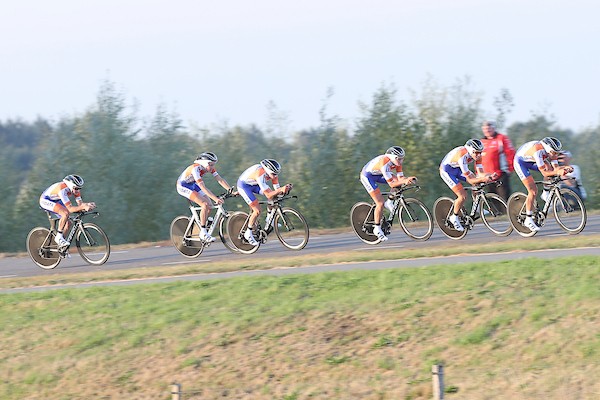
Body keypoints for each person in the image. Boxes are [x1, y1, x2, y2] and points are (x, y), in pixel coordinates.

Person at [513, 137, 573, 232]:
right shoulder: (538, 151)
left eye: (557, 153)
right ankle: (528, 219)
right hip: (520, 162)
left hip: (531, 160)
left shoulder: (551, 152)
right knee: (532, 191)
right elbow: (545, 173)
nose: (556, 155)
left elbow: (555, 168)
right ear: (548, 150)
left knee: (549, 167)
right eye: (554, 153)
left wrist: (565, 168)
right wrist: (558, 172)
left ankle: (545, 192)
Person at [359, 146, 417, 241]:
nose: (401, 161)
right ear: (392, 157)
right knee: (380, 203)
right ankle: (377, 229)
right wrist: (404, 181)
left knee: (399, 183)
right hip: (368, 177)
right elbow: (392, 184)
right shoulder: (384, 163)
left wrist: (407, 179)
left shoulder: (397, 161)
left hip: (378, 174)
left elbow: (400, 178)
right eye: (399, 159)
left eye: (403, 158)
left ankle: (389, 202)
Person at [176, 152, 235, 242]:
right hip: (183, 186)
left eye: (213, 164)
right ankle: (203, 233)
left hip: (192, 184)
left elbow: (219, 179)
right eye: (211, 164)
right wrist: (215, 198)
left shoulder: (208, 167)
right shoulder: (195, 169)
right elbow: (203, 188)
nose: (212, 167)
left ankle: (203, 223)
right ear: (204, 163)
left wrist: (230, 190)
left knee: (210, 206)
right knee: (204, 204)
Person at [439, 139, 496, 232]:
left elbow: (480, 173)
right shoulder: (462, 156)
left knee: (477, 183)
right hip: (447, 171)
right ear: (470, 151)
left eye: (480, 152)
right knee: (462, 196)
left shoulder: (478, 156)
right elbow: (470, 180)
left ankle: (477, 208)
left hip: (457, 168)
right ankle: (454, 217)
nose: (478, 155)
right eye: (476, 153)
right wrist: (483, 179)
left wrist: (489, 175)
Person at [237, 159, 293, 245]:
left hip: (254, 184)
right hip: (244, 186)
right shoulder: (260, 174)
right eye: (273, 174)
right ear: (267, 171)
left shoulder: (273, 173)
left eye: (276, 174)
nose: (274, 177)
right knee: (257, 210)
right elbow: (268, 195)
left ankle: (269, 218)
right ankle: (248, 233)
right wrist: (280, 190)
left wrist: (284, 190)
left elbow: (276, 191)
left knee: (274, 197)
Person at [39, 174, 96, 247]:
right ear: (70, 185)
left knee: (68, 222)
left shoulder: (75, 189)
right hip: (45, 200)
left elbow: (80, 204)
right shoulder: (62, 189)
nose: (77, 190)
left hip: (56, 200)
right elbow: (70, 209)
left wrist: (87, 205)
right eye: (76, 188)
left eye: (79, 188)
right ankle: (59, 237)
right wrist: (83, 206)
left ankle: (61, 245)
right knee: (65, 213)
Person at [480, 120, 516, 201]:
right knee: (492, 199)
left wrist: (510, 169)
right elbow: (478, 159)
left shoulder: (501, 138)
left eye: (489, 129)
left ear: (493, 128)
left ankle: (507, 212)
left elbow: (510, 153)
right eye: (485, 129)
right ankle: (497, 213)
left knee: (504, 197)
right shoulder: (482, 142)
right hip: (487, 176)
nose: (487, 131)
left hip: (501, 173)